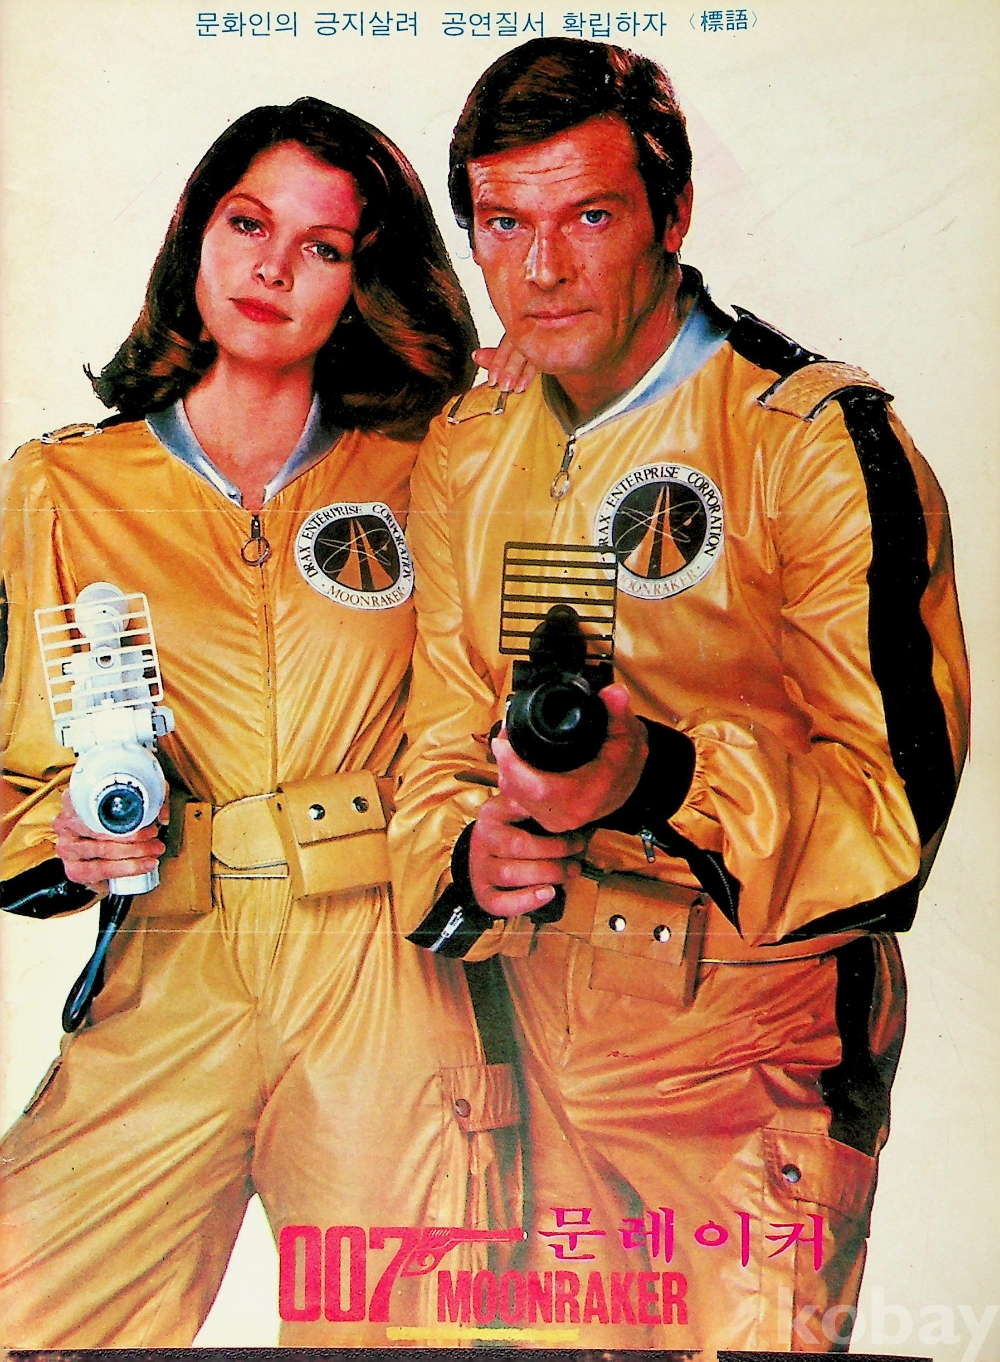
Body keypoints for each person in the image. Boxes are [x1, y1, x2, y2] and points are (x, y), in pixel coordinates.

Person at [389, 38, 970, 1355]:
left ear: (674, 212)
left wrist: (655, 774)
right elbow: (440, 734)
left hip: (749, 1045)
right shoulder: (470, 443)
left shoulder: (808, 441)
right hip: (526, 1029)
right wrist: (465, 853)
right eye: (503, 225)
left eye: (589, 217)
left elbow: (891, 815)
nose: (540, 270)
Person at [0, 97, 521, 1347]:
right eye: (247, 224)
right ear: (197, 235)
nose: (272, 268)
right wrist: (64, 836)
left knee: (405, 1338)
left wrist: (530, 399)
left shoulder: (436, 465)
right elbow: (19, 774)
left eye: (321, 247)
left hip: (384, 971)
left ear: (361, 282)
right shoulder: (65, 485)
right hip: (172, 959)